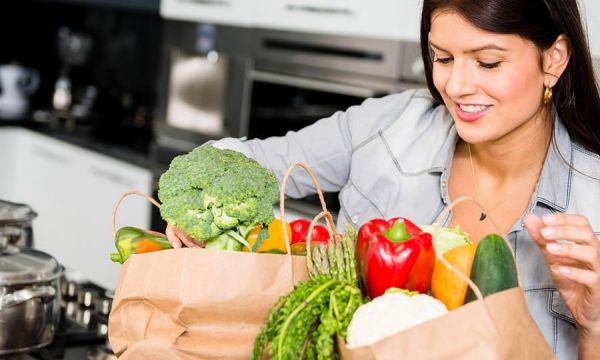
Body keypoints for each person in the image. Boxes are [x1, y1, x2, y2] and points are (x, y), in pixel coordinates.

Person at [166, 0, 600, 358]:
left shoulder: (592, 199)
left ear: (554, 59)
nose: (457, 86)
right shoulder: (384, 127)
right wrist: (200, 204)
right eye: (442, 58)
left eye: (487, 62)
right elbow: (252, 162)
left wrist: (594, 326)